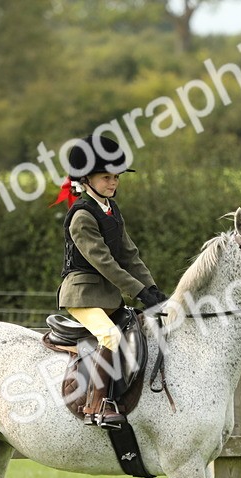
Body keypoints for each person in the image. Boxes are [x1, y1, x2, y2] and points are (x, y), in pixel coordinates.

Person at [52, 134, 167, 428]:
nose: (113, 183)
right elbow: (105, 263)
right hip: (82, 295)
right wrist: (138, 291)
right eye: (106, 177)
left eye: (116, 177)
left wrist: (152, 288)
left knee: (140, 328)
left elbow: (129, 254)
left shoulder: (111, 210)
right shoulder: (82, 216)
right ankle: (98, 405)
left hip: (106, 297)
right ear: (86, 179)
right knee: (110, 337)